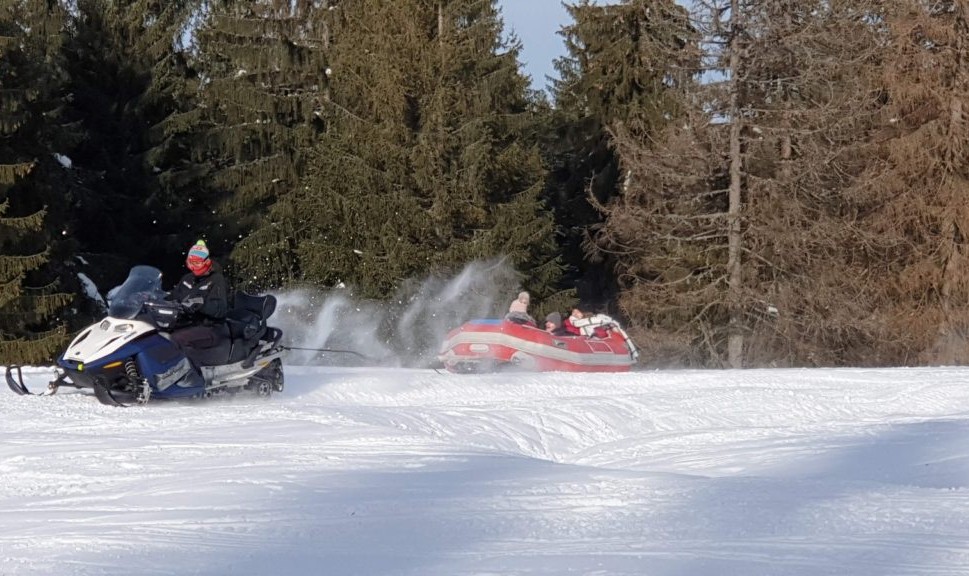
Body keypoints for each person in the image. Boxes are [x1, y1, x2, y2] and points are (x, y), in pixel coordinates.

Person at [168, 239, 229, 352]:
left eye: (197, 263)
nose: (193, 267)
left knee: (176, 339)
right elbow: (173, 296)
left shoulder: (216, 280)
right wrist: (151, 296)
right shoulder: (187, 279)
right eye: (190, 263)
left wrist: (201, 304)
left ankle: (186, 369)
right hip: (188, 323)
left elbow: (221, 309)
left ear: (206, 262)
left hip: (211, 327)